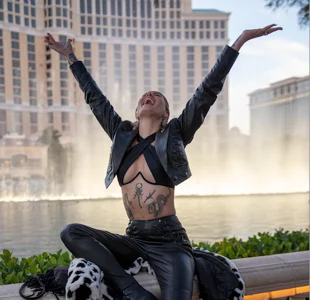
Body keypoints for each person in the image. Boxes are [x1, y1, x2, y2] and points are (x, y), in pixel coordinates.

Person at [45, 23, 282, 300]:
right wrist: (71, 57)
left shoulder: (176, 134)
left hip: (170, 243)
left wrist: (240, 41)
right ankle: (132, 289)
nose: (149, 96)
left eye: (157, 97)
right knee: (71, 232)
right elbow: (95, 98)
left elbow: (207, 91)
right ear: (136, 111)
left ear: (166, 113)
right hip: (134, 239)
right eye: (145, 96)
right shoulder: (120, 134)